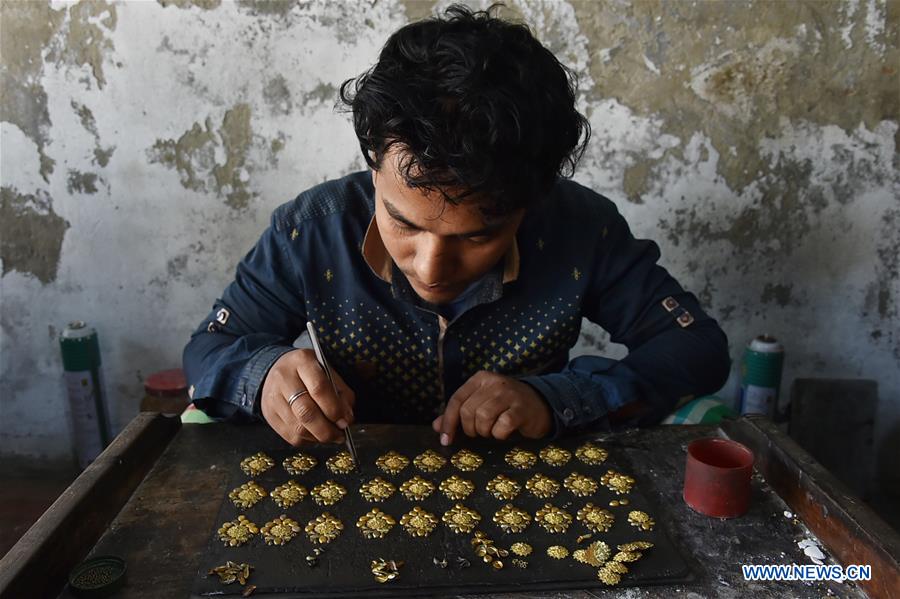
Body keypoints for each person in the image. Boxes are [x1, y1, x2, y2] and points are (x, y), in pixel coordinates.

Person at [182, 4, 730, 448]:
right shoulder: (310, 231)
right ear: (374, 162)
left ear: (531, 202)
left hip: (524, 476)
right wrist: (266, 375)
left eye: (476, 236)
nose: (430, 267)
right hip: (358, 473)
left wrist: (553, 398)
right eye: (403, 223)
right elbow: (209, 349)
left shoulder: (580, 229)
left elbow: (697, 349)